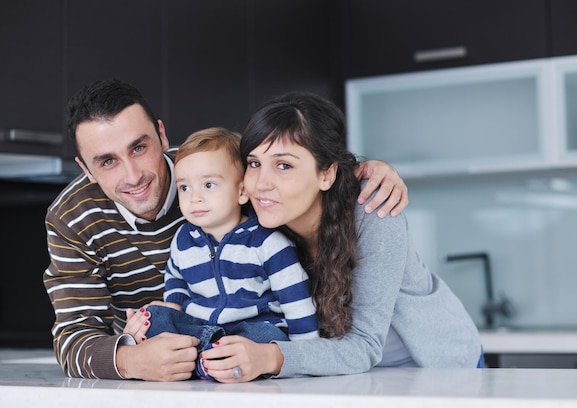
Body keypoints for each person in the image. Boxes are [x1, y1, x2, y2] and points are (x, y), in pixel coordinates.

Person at [42, 78, 409, 381]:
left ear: (162, 135)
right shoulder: (71, 218)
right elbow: (73, 334)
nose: (133, 175)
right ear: (85, 169)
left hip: (272, 352)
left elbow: (290, 163)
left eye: (139, 148)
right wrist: (130, 361)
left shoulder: (219, 171)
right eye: (107, 161)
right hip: (181, 371)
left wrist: (363, 169)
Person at [198, 91, 483, 383]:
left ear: (326, 174)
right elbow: (196, 169)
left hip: (436, 370)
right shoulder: (257, 219)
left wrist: (271, 356)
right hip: (349, 374)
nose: (261, 184)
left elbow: (364, 346)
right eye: (254, 163)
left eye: (284, 165)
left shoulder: (373, 212)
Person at [132, 127, 318, 380]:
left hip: (253, 331)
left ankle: (202, 361)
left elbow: (295, 299)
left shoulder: (267, 242)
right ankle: (206, 359)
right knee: (154, 315)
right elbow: (175, 275)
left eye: (208, 185)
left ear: (242, 191)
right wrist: (173, 306)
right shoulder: (184, 238)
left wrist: (306, 352)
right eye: (185, 188)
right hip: (200, 327)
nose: (194, 198)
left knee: (267, 338)